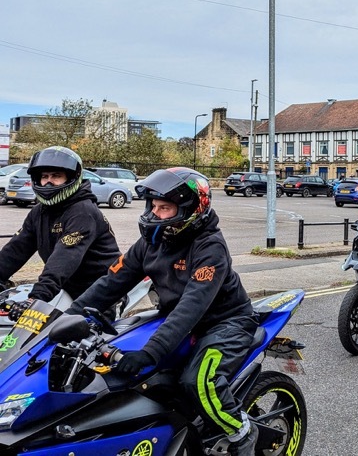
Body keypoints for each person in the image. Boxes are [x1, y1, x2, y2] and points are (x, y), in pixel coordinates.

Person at [65, 167, 259, 455]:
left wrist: (150, 352)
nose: (155, 214)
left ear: (192, 209)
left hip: (224, 324)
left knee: (199, 381)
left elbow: (191, 307)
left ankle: (242, 431)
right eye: (153, 206)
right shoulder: (151, 242)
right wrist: (67, 317)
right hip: (176, 319)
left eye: (164, 208)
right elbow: (111, 282)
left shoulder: (210, 248)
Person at [0, 146, 121, 321]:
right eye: (44, 176)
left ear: (71, 178)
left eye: (56, 176)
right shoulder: (39, 211)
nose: (48, 182)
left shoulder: (82, 212)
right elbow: (17, 248)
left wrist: (36, 298)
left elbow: (65, 257)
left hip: (97, 288)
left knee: (85, 340)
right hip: (66, 285)